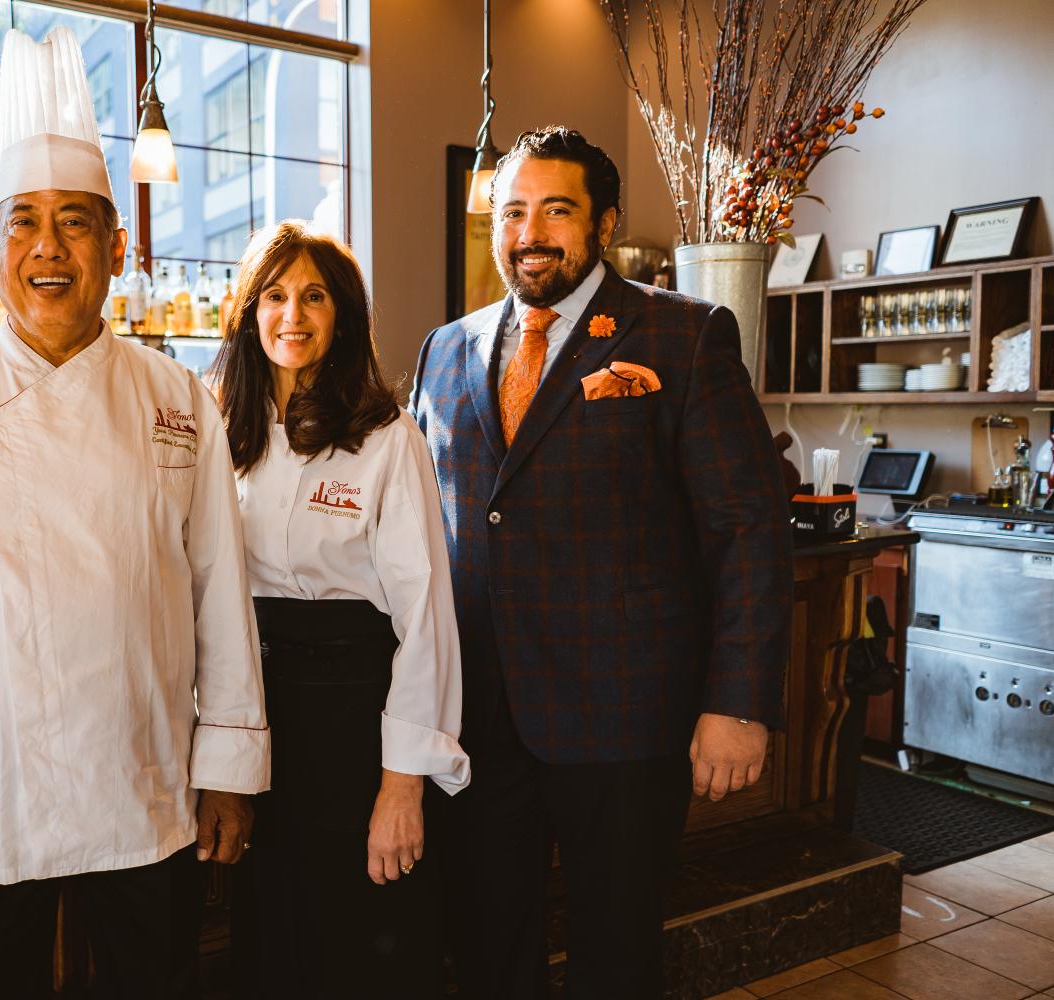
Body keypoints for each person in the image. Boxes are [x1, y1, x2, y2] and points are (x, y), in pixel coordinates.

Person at [0, 28, 269, 1000]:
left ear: (117, 247)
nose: (48, 248)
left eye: (75, 223)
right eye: (23, 222)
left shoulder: (179, 397)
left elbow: (220, 597)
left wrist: (230, 762)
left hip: (145, 790)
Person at [411, 126, 793, 998]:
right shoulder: (445, 349)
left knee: (616, 955)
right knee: (483, 944)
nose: (530, 231)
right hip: (475, 717)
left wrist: (738, 703)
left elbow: (747, 531)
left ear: (605, 223)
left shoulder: (686, 336)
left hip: (624, 717)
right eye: (513, 211)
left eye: (556, 209)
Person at [216, 221, 470, 999]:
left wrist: (402, 786)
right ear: (248, 313)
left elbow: (425, 616)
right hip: (254, 715)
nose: (292, 314)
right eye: (275, 295)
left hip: (356, 720)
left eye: (314, 297)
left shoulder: (387, 440)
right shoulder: (219, 433)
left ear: (344, 315)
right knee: (272, 934)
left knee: (363, 940)